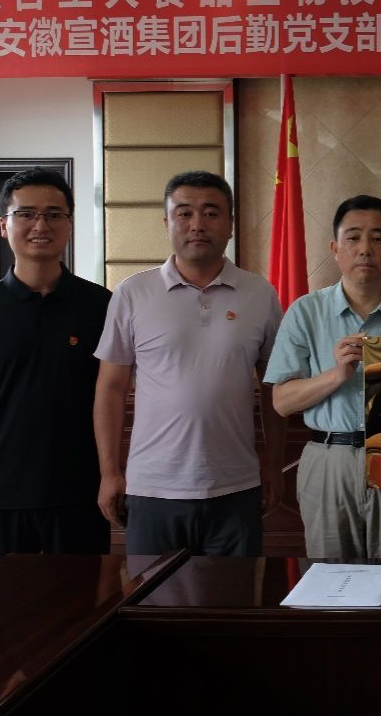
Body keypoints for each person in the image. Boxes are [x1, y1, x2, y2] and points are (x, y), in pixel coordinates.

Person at [93, 171, 284, 556]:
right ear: (167, 222)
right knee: (153, 593)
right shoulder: (133, 293)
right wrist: (110, 472)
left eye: (211, 213)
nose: (198, 224)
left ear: (230, 223)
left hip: (236, 486)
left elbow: (274, 386)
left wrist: (274, 464)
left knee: (232, 591)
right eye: (184, 213)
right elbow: (111, 388)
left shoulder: (260, 294)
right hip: (152, 488)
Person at [0, 168, 111, 574]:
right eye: (26, 214)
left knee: (81, 601)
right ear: (4, 225)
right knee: (0, 605)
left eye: (54, 214)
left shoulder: (101, 306)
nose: (40, 225)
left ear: (69, 223)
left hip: (78, 489)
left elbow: (115, 389)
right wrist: (0, 439)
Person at [265, 195, 381, 559]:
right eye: (353, 237)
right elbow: (281, 402)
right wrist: (336, 375)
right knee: (331, 576)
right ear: (335, 249)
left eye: (378, 238)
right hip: (329, 458)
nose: (365, 249)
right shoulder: (305, 312)